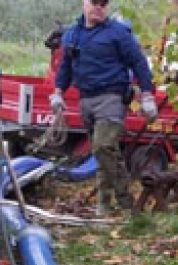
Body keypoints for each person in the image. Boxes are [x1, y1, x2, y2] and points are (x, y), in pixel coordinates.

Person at [49, 0, 159, 214]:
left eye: (103, 3)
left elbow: (139, 63)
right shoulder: (71, 35)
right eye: (94, 2)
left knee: (102, 146)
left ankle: (107, 202)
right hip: (86, 100)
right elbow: (65, 68)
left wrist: (147, 95)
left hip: (111, 98)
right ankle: (121, 204)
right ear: (84, 3)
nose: (99, 7)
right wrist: (58, 93)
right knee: (105, 154)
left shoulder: (118, 33)